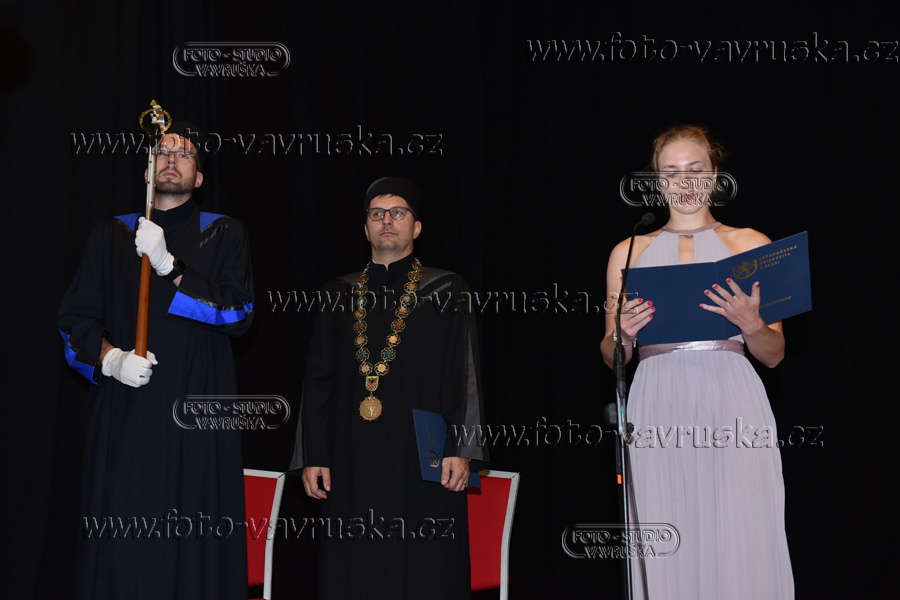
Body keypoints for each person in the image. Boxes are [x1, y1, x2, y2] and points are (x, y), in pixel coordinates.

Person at [58, 122, 254, 600]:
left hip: (197, 420)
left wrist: (171, 267)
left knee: (194, 542)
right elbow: (73, 321)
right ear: (148, 171)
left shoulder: (224, 232)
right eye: (162, 152)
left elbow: (238, 313)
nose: (170, 159)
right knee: (122, 544)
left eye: (184, 154)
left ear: (198, 176)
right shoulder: (111, 234)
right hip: (126, 416)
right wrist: (110, 359)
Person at [601, 125, 794, 599]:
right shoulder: (628, 251)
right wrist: (624, 334)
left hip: (731, 396)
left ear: (715, 176)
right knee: (668, 523)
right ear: (656, 181)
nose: (684, 182)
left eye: (696, 169)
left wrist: (752, 325)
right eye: (671, 172)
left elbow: (774, 354)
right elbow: (611, 354)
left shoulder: (751, 244)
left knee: (741, 525)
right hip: (656, 400)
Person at [289, 176, 488, 599]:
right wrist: (313, 455)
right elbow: (318, 380)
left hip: (425, 454)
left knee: (424, 567)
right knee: (353, 564)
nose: (387, 221)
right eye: (377, 214)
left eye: (398, 213)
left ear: (417, 227)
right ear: (365, 229)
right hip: (351, 455)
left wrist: (462, 448)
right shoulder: (338, 293)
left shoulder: (446, 288)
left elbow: (465, 373)